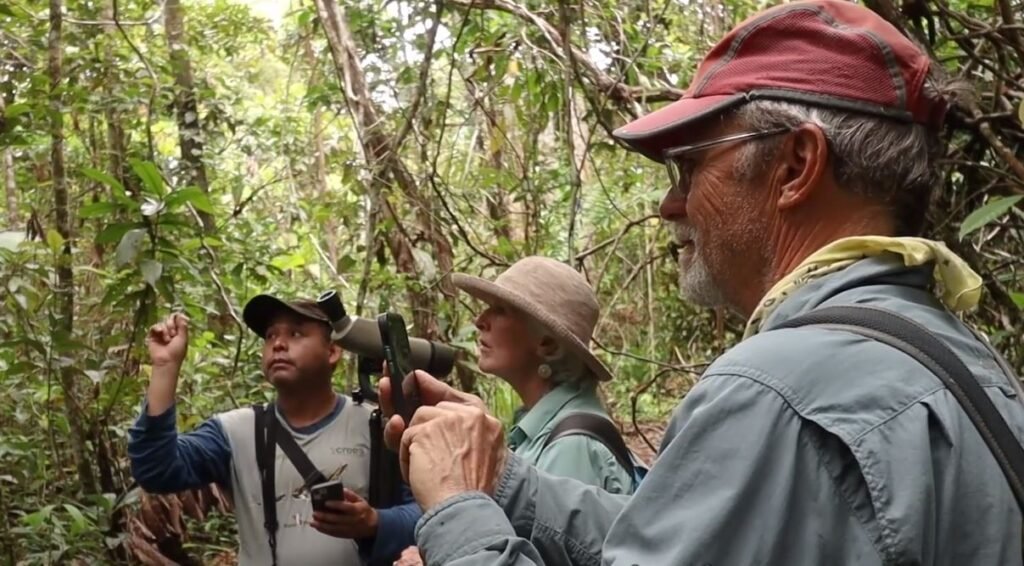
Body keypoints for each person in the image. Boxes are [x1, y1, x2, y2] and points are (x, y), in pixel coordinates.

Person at [381, 1, 1024, 565]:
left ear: (797, 165)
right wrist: (501, 479)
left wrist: (459, 510)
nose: (670, 204)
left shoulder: (775, 391)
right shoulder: (964, 356)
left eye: (689, 167)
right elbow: (677, 541)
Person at [128, 295, 419, 565]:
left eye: (295, 333)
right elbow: (156, 469)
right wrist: (165, 368)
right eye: (270, 336)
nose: (278, 344)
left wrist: (374, 523)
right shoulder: (234, 432)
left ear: (332, 352)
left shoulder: (379, 425)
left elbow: (426, 514)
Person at [392, 257, 637, 565]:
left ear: (548, 345)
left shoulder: (571, 444)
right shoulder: (537, 428)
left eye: (501, 310)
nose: (480, 319)